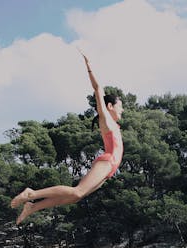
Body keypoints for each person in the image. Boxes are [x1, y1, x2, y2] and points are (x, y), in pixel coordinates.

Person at [11, 50, 124, 224]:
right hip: (107, 162)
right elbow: (98, 89)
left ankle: (33, 206)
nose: (122, 110)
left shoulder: (114, 125)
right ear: (110, 106)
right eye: (120, 106)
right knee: (77, 191)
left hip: (110, 169)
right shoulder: (106, 118)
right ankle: (31, 194)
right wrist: (89, 67)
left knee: (74, 198)